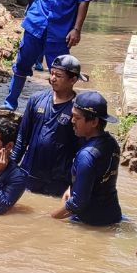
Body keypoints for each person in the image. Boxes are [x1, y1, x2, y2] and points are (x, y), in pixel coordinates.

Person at [3, 0, 95, 110]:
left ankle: (59, 108)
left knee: (61, 72)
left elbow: (84, 1)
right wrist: (30, 15)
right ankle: (10, 103)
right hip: (36, 25)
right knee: (22, 63)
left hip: (61, 31)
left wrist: (76, 29)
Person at [11, 55, 85, 197]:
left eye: (58, 75)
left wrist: (78, 182)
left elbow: (81, 149)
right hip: (28, 173)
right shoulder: (36, 99)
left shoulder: (77, 109)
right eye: (51, 73)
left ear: (73, 80)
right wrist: (11, 167)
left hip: (58, 180)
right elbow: (22, 137)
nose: (53, 78)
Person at [50, 90, 122, 226]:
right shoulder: (111, 143)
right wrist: (71, 189)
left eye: (77, 118)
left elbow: (78, 203)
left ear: (94, 122)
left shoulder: (86, 156)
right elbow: (98, 180)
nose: (72, 121)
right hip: (112, 215)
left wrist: (51, 219)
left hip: (89, 223)